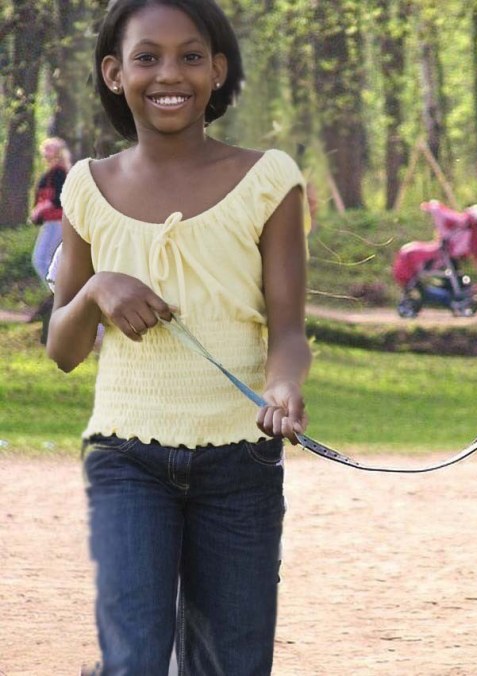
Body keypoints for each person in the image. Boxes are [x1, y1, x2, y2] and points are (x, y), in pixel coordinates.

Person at [46, 0, 311, 673]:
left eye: (191, 56)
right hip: (126, 458)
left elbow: (287, 329)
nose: (171, 73)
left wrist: (283, 386)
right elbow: (63, 350)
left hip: (241, 463)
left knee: (233, 663)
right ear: (114, 72)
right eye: (147, 56)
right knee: (135, 657)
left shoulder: (269, 179)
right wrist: (98, 289)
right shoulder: (86, 186)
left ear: (217, 70)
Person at [30, 137, 71, 284]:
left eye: (50, 148)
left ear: (58, 152)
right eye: (45, 148)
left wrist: (41, 208)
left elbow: (59, 197)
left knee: (40, 259)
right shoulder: (49, 173)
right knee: (52, 261)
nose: (45, 152)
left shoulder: (59, 172)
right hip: (50, 222)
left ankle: (58, 292)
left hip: (57, 221)